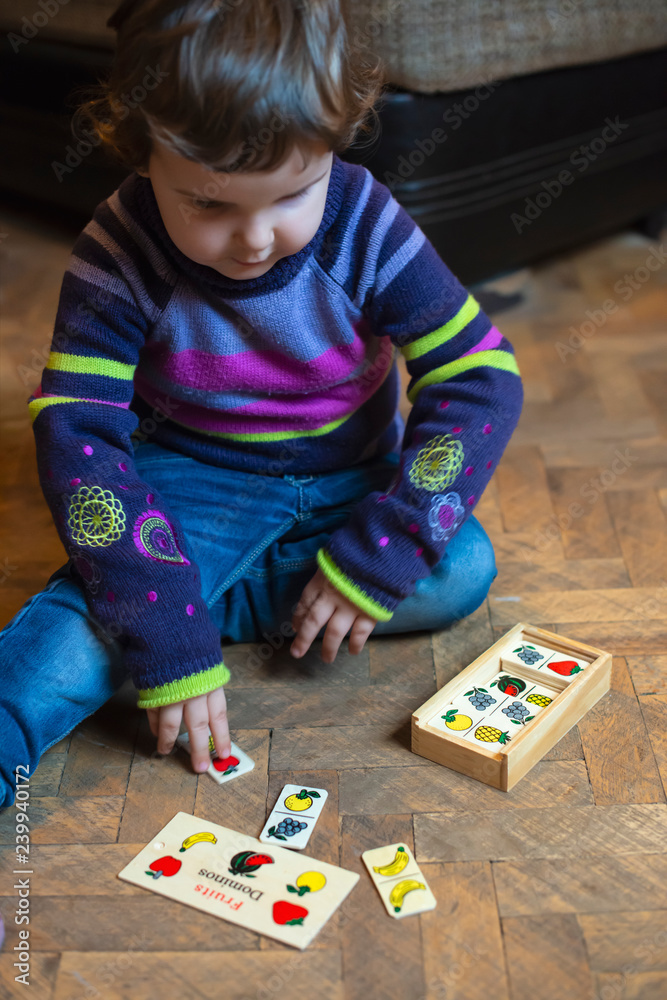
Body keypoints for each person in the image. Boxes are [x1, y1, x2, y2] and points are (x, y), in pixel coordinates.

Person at [0, 0, 523, 808]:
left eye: (293, 195)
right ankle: (170, 603)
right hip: (195, 481)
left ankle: (183, 595)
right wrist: (164, 628)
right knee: (67, 648)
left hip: (348, 476)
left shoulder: (364, 219)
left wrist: (376, 555)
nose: (253, 239)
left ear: (333, 142)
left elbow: (479, 376)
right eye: (208, 205)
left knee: (460, 570)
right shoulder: (117, 248)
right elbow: (79, 436)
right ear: (142, 150)